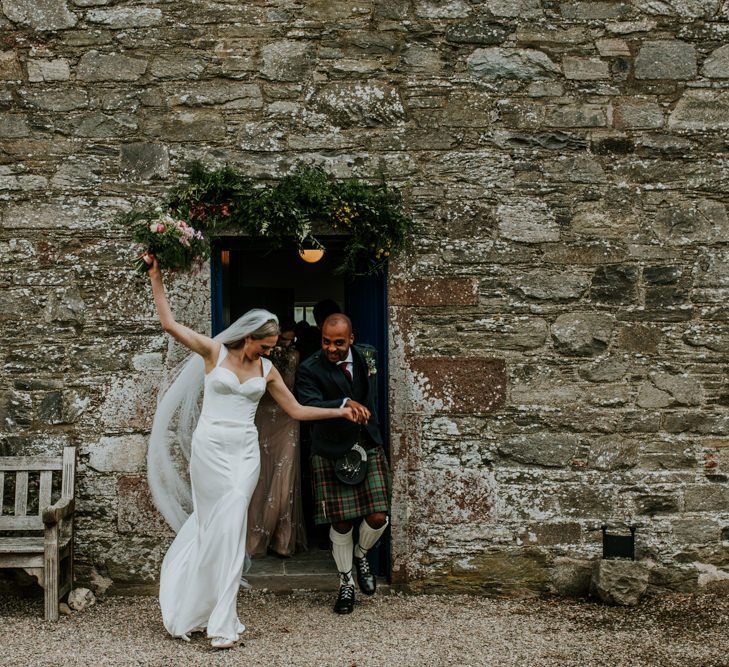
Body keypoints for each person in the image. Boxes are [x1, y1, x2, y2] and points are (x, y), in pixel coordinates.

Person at [144, 256, 361, 649]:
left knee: (232, 530)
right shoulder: (213, 353)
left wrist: (339, 410)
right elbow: (169, 325)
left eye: (273, 347)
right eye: (266, 345)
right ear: (248, 337)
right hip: (209, 450)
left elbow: (295, 409)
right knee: (214, 529)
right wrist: (157, 278)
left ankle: (223, 622)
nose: (270, 352)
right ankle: (192, 600)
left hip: (244, 454)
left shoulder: (267, 371)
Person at [295, 313, 391, 614]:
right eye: (326, 341)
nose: (331, 348)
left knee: (378, 516)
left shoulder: (368, 355)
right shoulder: (310, 368)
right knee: (342, 521)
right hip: (332, 448)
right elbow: (306, 404)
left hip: (367, 442)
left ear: (351, 339)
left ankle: (361, 555)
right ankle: (346, 583)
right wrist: (341, 404)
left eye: (338, 342)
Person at [247, 319, 306, 557]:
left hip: (287, 419)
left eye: (289, 341)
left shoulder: (295, 357)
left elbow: (294, 388)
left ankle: (283, 539)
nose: (282, 346)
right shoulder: (259, 361)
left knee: (284, 478)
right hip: (261, 419)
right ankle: (255, 538)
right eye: (280, 341)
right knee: (260, 477)